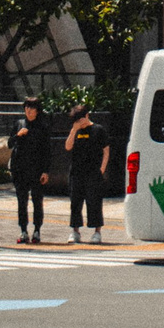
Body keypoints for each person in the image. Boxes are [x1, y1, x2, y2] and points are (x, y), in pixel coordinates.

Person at [61, 102, 113, 244]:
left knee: (94, 202)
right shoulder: (76, 130)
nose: (79, 122)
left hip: (93, 172)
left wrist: (102, 169)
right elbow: (68, 146)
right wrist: (74, 130)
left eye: (81, 119)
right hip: (77, 172)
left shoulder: (98, 129)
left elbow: (106, 151)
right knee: (75, 202)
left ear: (87, 116)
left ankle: (97, 232)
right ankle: (75, 231)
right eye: (76, 120)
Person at [10, 94, 53, 244]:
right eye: (27, 107)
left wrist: (46, 171)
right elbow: (10, 143)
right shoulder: (19, 124)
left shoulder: (43, 127)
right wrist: (17, 135)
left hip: (36, 170)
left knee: (37, 200)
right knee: (22, 201)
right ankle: (23, 230)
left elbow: (47, 151)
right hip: (19, 169)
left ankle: (37, 231)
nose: (28, 110)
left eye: (32, 108)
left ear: (37, 110)